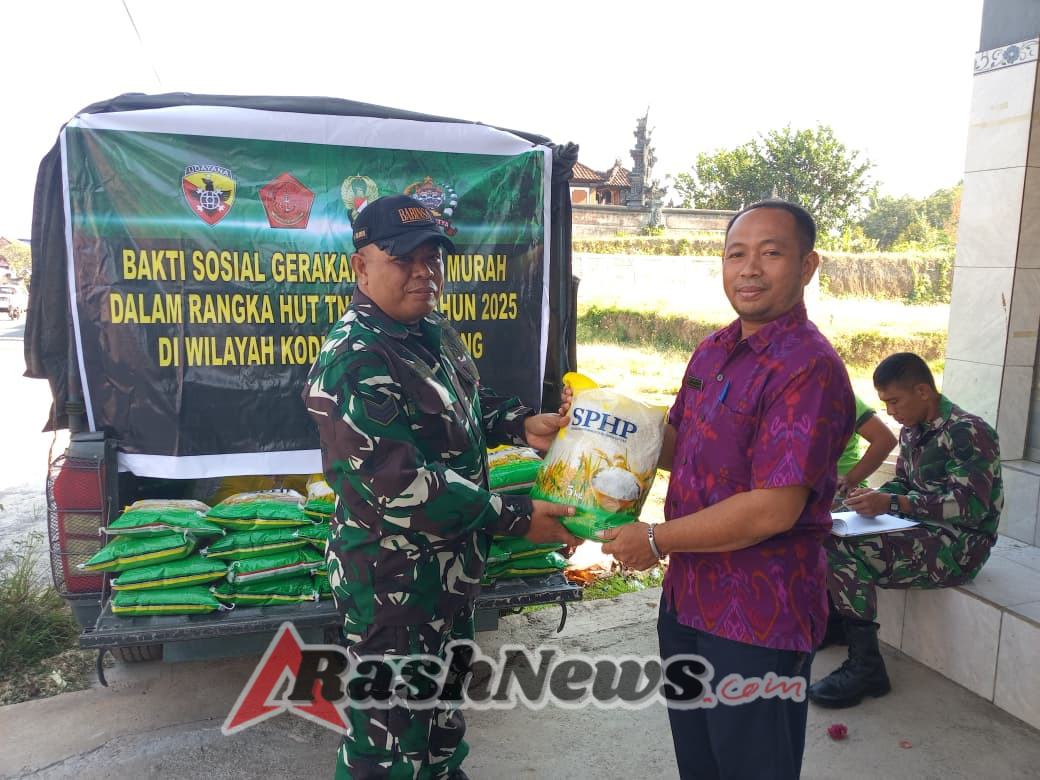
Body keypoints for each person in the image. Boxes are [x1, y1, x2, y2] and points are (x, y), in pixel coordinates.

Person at [302, 194, 579, 779]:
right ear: (361, 266)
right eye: (405, 260)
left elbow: (462, 407)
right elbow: (397, 484)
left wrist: (518, 422)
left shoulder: (430, 329)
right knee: (387, 744)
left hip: (448, 575)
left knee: (440, 722)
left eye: (434, 258)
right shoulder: (354, 357)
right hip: (393, 588)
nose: (424, 273)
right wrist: (516, 516)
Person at [598, 200, 855, 779]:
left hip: (759, 618)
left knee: (751, 767)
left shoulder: (807, 368)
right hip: (689, 598)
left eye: (771, 253)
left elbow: (773, 508)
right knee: (702, 762)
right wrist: (597, 421)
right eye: (736, 253)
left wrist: (656, 539)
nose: (750, 269)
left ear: (808, 265)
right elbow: (676, 445)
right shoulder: (715, 349)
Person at [809, 352, 1003, 708]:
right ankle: (837, 623)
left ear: (923, 391)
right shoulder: (914, 431)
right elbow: (904, 483)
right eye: (885, 403)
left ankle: (866, 667)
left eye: (894, 401)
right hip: (919, 528)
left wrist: (893, 504)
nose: (889, 412)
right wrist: (874, 497)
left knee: (838, 548)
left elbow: (970, 505)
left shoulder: (968, 432)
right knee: (824, 522)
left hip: (960, 545)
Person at [819, 393, 898, 648]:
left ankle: (846, 633)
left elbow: (885, 439)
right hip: (804, 494)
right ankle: (828, 622)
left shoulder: (839, 397)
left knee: (814, 530)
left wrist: (850, 479)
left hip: (842, 497)